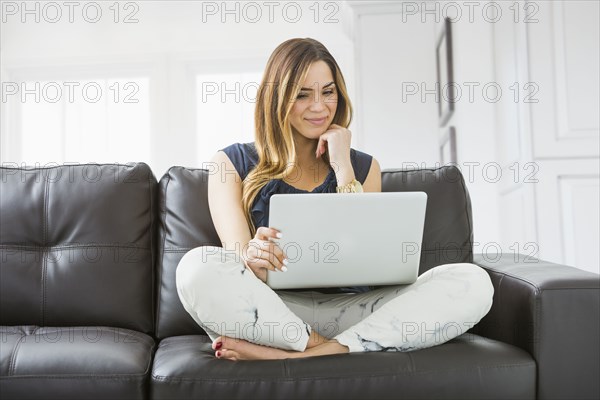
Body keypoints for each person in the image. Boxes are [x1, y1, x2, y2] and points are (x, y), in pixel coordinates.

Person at [176, 37, 494, 361]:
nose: (319, 107)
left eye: (327, 92)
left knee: (473, 282)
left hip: (358, 311)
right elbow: (237, 260)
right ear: (277, 98)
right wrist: (254, 259)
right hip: (277, 312)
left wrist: (343, 166)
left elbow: (368, 258)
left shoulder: (364, 167)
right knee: (196, 267)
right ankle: (328, 346)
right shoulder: (229, 164)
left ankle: (296, 356)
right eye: (302, 94)